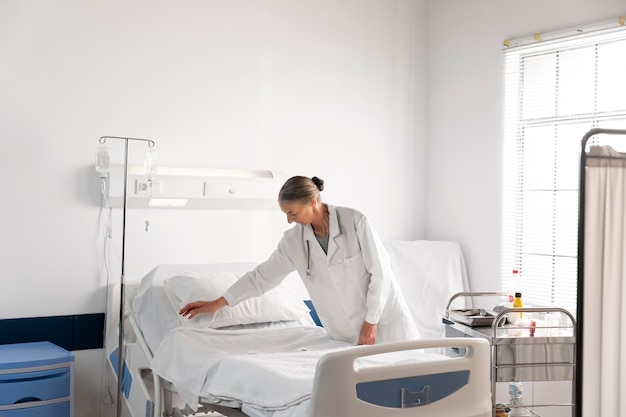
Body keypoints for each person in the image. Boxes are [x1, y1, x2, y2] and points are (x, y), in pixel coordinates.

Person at [179, 176, 418, 345]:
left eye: (293, 213)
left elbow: (381, 272)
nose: (289, 220)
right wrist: (217, 303)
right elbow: (261, 278)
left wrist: (371, 321)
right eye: (286, 214)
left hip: (386, 325)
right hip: (345, 335)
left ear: (313, 202)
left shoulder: (355, 221)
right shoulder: (293, 242)